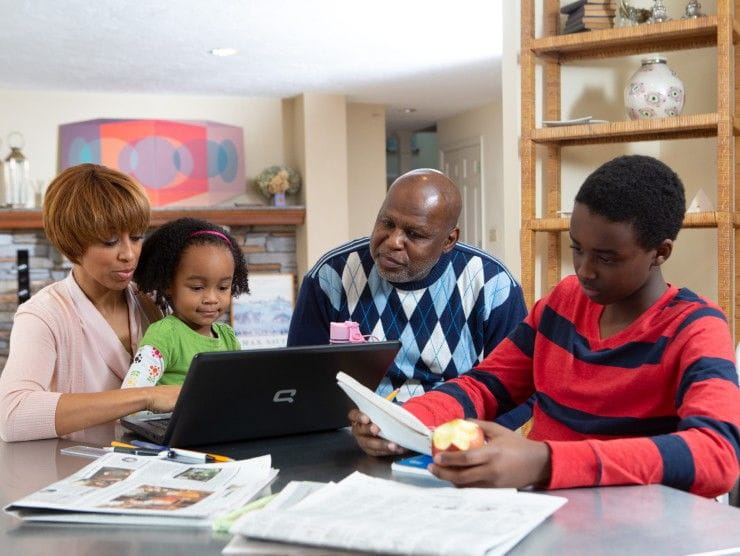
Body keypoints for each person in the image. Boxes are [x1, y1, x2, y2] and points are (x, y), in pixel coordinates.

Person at [351, 155, 740, 499]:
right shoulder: (564, 303)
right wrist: (406, 421)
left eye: (606, 257)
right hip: (541, 509)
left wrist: (546, 461)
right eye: (577, 248)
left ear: (661, 252)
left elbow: (717, 456)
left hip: (636, 527)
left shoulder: (696, 328)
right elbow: (485, 385)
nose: (584, 270)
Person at [287, 169, 527, 402]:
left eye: (414, 234)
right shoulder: (331, 275)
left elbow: (518, 388)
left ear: (449, 240)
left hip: (452, 430)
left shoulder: (493, 283)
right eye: (387, 223)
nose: (393, 242)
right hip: (353, 426)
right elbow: (301, 377)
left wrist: (467, 434)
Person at [0, 164, 180, 442]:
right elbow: (12, 416)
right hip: (73, 473)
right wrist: (145, 396)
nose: (129, 254)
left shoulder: (151, 303)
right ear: (72, 243)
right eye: (110, 242)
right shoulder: (42, 315)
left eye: (136, 237)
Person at [120, 217, 248, 387]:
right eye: (197, 287)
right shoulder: (165, 335)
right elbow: (135, 393)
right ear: (168, 285)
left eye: (223, 287)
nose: (211, 299)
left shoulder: (228, 337)